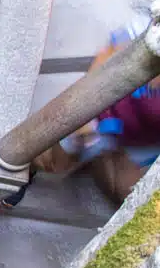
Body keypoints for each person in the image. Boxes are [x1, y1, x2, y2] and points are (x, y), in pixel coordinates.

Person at [35, 13, 160, 204]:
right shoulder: (151, 32)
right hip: (103, 110)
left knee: (130, 199)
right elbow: (111, 51)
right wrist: (85, 111)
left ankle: (101, 159)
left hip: (137, 143)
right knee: (50, 160)